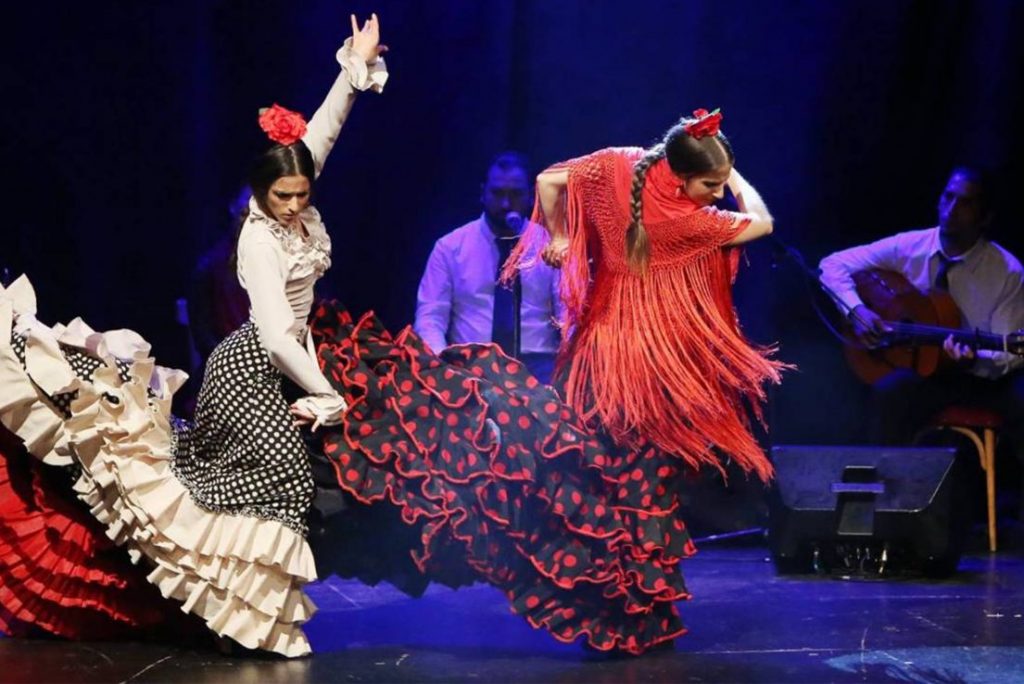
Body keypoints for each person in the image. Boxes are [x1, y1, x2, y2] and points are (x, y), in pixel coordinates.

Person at [303, 108, 784, 655]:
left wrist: (558, 236)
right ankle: (627, 611)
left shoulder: (617, 164)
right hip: (643, 370)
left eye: (719, 186)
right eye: (709, 185)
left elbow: (549, 181)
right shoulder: (684, 222)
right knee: (638, 484)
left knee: (605, 480)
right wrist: (736, 176)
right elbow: (762, 222)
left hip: (595, 359)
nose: (716, 195)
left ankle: (621, 604)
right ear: (678, 175)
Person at [0, 14, 388, 656]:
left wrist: (353, 70)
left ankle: (249, 617)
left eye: (302, 193)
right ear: (260, 192)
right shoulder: (259, 241)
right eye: (283, 196)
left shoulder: (297, 190)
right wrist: (327, 394)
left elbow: (322, 133)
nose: (295, 204)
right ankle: (236, 616)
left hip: (284, 359)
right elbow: (276, 337)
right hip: (252, 367)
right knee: (272, 480)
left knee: (279, 483)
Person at [818, 167, 1024, 448]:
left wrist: (974, 360)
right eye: (948, 197)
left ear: (985, 217)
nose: (952, 209)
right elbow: (831, 265)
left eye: (965, 203)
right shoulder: (910, 246)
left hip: (983, 381)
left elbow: (1009, 353)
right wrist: (856, 311)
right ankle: (886, 475)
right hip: (926, 374)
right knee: (890, 393)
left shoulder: (1008, 272)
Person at [414, 152, 562, 383]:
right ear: (483, 193)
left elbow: (569, 316)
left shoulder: (551, 246)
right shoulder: (450, 247)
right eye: (497, 193)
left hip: (538, 368)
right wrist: (441, 368)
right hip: (469, 365)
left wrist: (569, 369)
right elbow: (430, 317)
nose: (505, 204)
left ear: (532, 196)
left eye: (515, 194)